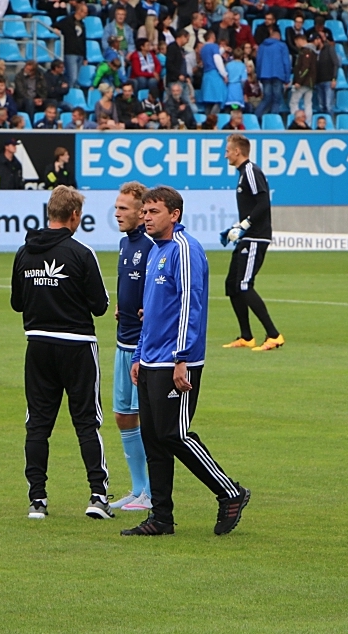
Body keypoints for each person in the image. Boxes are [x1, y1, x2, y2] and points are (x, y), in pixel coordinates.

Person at [120, 186, 250, 537]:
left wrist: (182, 359)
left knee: (173, 434)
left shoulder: (185, 249)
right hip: (150, 360)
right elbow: (153, 313)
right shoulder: (155, 251)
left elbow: (191, 308)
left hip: (177, 360)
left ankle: (230, 491)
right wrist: (138, 354)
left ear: (174, 214)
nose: (146, 217)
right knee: (153, 438)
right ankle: (161, 518)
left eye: (154, 211)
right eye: (144, 211)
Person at [10, 185, 112, 521]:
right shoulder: (81, 253)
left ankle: (36, 500)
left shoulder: (25, 253)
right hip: (78, 346)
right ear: (74, 217)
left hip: (37, 344)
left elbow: (16, 303)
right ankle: (98, 496)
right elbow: (100, 306)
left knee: (38, 424)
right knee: (86, 422)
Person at [104, 182, 156, 513]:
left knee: (148, 419)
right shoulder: (125, 244)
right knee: (123, 416)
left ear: (141, 211)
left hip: (144, 347)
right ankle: (137, 488)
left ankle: (151, 492)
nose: (117, 213)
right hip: (122, 341)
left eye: (123, 208)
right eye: (116, 207)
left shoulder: (151, 246)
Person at [220, 134, 283, 351]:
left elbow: (263, 202)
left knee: (245, 285)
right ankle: (246, 336)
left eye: (228, 150)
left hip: (256, 237)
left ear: (237, 151)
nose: (226, 154)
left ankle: (274, 335)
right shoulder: (242, 174)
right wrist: (235, 228)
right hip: (247, 236)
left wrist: (245, 225)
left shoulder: (250, 171)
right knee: (232, 285)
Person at [254, 28, 289, 118]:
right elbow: (286, 62)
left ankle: (256, 117)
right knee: (276, 99)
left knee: (266, 98)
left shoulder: (262, 46)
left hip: (264, 75)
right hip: (278, 74)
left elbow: (258, 61)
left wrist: (258, 75)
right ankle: (273, 121)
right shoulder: (282, 46)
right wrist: (287, 78)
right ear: (278, 37)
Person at [53, 3, 88, 89]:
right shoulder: (67, 21)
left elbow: (83, 40)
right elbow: (55, 26)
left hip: (80, 53)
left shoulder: (82, 24)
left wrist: (85, 57)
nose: (86, 14)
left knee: (73, 77)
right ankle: (69, 94)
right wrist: (56, 30)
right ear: (80, 12)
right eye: (85, 12)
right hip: (70, 52)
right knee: (73, 77)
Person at [199, 31, 227, 119]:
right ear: (212, 37)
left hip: (206, 76)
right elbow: (217, 60)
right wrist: (224, 74)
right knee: (219, 99)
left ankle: (207, 120)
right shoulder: (213, 46)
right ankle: (212, 119)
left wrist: (223, 49)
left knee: (209, 101)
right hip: (214, 75)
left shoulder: (203, 48)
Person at [290, 34, 315, 121]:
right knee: (308, 103)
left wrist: (299, 81)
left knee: (293, 102)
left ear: (300, 40)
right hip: (310, 83)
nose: (296, 44)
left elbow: (305, 68)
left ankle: (297, 121)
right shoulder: (313, 51)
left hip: (304, 82)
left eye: (296, 42)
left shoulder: (305, 52)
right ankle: (308, 124)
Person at [313, 32, 338, 116]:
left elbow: (335, 63)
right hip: (318, 81)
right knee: (321, 106)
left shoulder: (329, 48)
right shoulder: (314, 51)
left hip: (328, 81)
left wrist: (334, 78)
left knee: (328, 106)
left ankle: (330, 126)